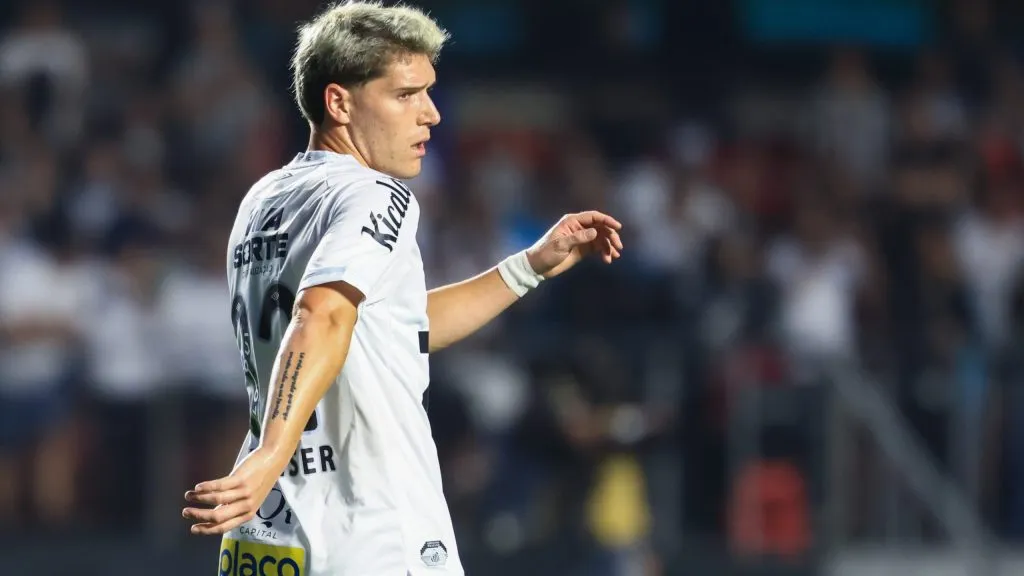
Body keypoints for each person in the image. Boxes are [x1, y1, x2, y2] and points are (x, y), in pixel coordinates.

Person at [181, 2, 623, 575]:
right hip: (372, 531)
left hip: (269, 534)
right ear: (339, 102)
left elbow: (391, 327)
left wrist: (528, 267)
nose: (431, 115)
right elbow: (323, 317)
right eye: (405, 94)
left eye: (428, 92)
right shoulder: (375, 194)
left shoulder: (263, 199)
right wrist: (270, 451)